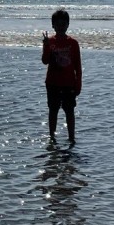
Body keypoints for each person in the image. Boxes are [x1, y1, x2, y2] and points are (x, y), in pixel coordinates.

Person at [42, 9, 82, 143]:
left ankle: (71, 137)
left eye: (63, 24)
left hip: (69, 83)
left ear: (68, 25)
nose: (60, 27)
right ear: (53, 25)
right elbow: (45, 60)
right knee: (53, 110)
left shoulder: (73, 43)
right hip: (52, 82)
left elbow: (78, 66)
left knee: (69, 111)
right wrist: (46, 46)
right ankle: (52, 137)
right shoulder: (50, 41)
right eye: (57, 24)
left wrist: (78, 84)